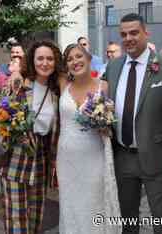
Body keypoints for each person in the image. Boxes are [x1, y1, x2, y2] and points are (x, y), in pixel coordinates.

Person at [105, 13, 162, 234]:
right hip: (122, 157)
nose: (128, 38)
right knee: (127, 219)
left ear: (145, 32)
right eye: (123, 34)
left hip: (158, 157)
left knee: (161, 219)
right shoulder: (113, 66)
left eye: (134, 32)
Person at [57, 43, 121, 234]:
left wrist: (105, 127)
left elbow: (111, 124)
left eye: (78, 56)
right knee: (71, 205)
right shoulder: (62, 84)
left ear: (89, 58)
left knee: (94, 203)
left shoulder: (104, 86)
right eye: (69, 59)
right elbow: (37, 68)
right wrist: (17, 73)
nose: (75, 62)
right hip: (66, 160)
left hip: (94, 157)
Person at [0, 40, 61, 234]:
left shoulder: (57, 91)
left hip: (41, 156)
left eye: (49, 59)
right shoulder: (19, 84)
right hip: (16, 156)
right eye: (40, 58)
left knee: (35, 215)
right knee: (17, 217)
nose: (45, 63)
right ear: (32, 61)